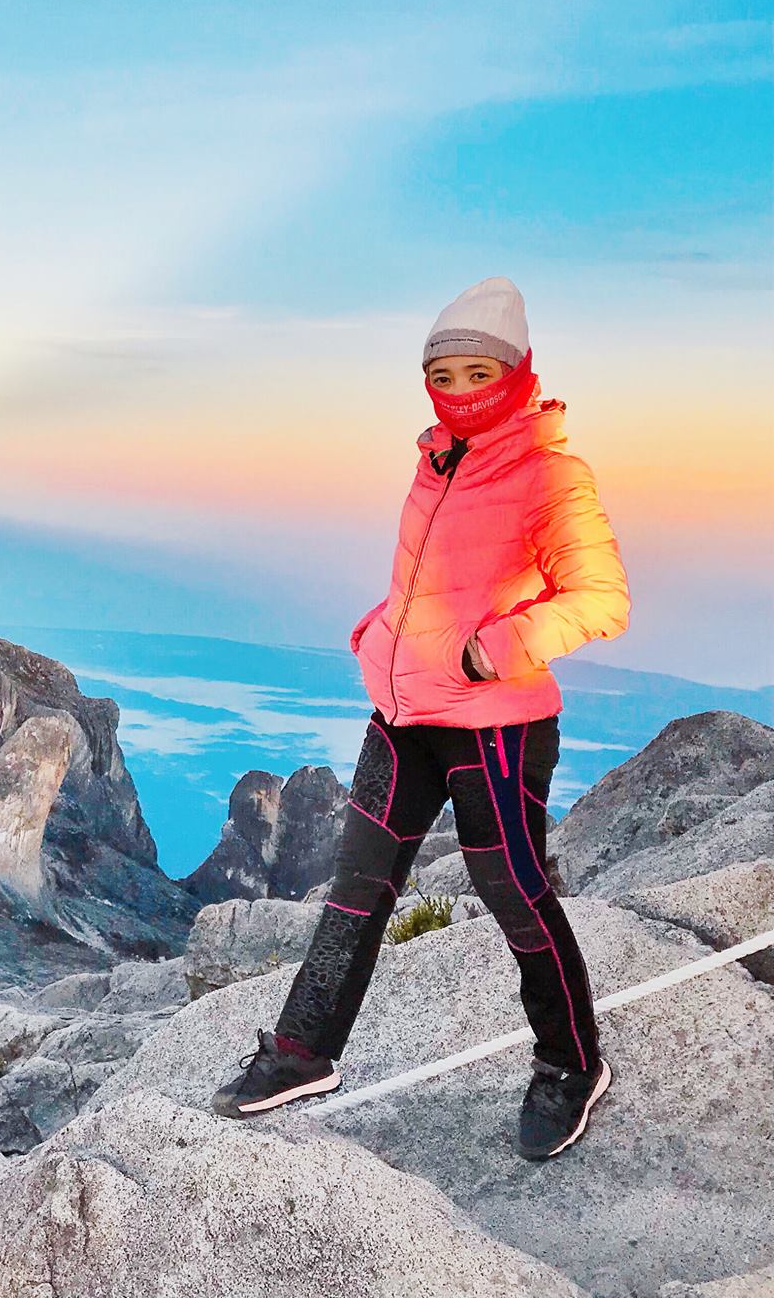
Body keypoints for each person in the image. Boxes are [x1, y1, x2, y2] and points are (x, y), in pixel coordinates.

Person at [210, 275, 631, 1161]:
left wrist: (493, 649)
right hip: (402, 716)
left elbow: (600, 599)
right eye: (446, 371)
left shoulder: (550, 472)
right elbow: (428, 587)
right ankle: (303, 1051)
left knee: (515, 893)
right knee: (355, 887)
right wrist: (381, 632)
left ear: (514, 373)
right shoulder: (436, 457)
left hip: (495, 725)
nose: (463, 387)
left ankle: (570, 1062)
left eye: (481, 371)